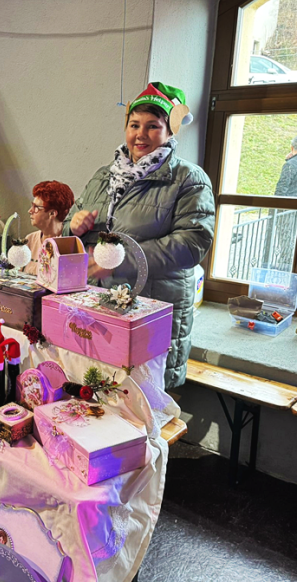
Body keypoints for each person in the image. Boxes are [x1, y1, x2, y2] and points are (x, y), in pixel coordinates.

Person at [64, 83, 215, 389]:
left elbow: (191, 244)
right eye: (134, 125)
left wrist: (119, 262)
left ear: (170, 132)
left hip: (151, 305)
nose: (140, 135)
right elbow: (70, 220)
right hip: (99, 304)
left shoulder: (188, 179)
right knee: (97, 395)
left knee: (142, 406)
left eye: (153, 127)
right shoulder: (104, 175)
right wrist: (73, 225)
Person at [21, 180, 75, 276]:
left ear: (52, 213)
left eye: (36, 207)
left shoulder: (69, 244)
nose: (30, 211)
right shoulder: (29, 240)